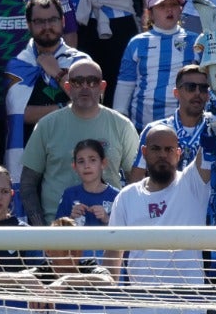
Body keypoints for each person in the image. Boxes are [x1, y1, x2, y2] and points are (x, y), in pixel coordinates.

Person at [21, 59, 141, 225]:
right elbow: (27, 184)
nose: (85, 87)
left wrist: (125, 224)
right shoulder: (46, 125)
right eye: (78, 82)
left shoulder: (122, 126)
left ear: (102, 87)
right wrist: (42, 231)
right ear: (68, 87)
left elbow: (136, 182)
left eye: (92, 81)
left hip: (109, 234)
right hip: (57, 235)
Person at [107, 122, 212, 284]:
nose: (162, 155)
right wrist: (108, 298)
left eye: (169, 149)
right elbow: (113, 252)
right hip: (142, 303)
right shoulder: (126, 196)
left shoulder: (193, 183)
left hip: (190, 304)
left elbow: (208, 142)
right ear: (144, 152)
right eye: (156, 149)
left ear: (178, 154)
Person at [4, 0, 90, 177]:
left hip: (73, 154)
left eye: (52, 20)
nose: (47, 27)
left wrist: (57, 73)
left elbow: (90, 104)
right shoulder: (18, 65)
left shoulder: (81, 62)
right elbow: (21, 114)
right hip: (30, 158)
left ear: (63, 21)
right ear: (29, 25)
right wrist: (65, 108)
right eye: (39, 22)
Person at [114, 0, 197, 129]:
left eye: (174, 4)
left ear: (181, 9)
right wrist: (118, 122)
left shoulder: (195, 41)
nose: (169, 9)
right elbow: (125, 84)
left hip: (184, 127)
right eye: (162, 5)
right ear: (150, 13)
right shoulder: (137, 43)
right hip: (143, 127)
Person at [129, 64, 215, 180]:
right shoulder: (154, 130)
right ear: (176, 93)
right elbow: (136, 178)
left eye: (203, 88)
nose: (197, 93)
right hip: (165, 197)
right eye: (191, 87)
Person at [60, 138, 117, 227]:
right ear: (74, 166)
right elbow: (56, 233)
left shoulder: (116, 196)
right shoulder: (69, 195)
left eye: (92, 160)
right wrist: (71, 219)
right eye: (81, 161)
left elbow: (126, 234)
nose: (87, 166)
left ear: (103, 163)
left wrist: (107, 219)